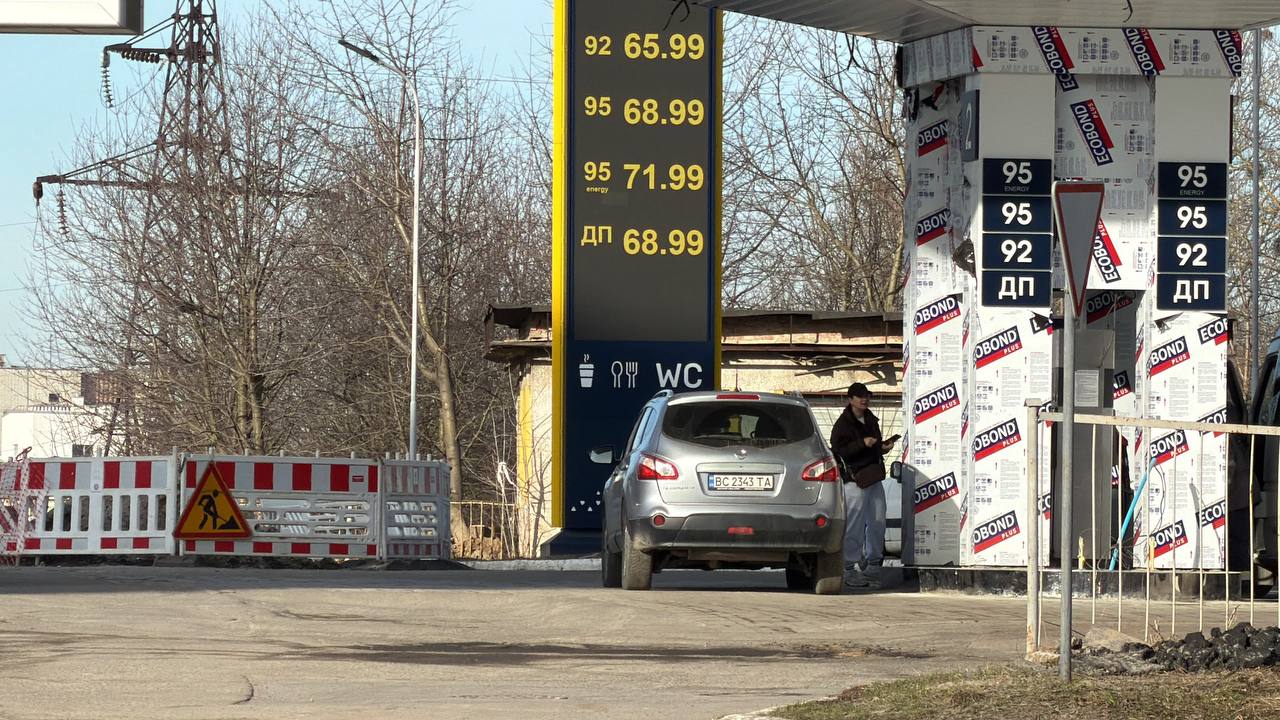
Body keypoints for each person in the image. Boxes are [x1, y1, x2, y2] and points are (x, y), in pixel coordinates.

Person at [830, 382, 895, 588]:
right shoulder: (843, 424)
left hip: (873, 476)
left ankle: (873, 564)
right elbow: (838, 451)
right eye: (859, 396)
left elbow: (874, 446)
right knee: (855, 526)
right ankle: (848, 568)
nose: (864, 399)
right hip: (854, 480)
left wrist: (882, 448)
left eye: (866, 395)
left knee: (877, 520)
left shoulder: (870, 419)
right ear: (850, 399)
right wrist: (862, 443)